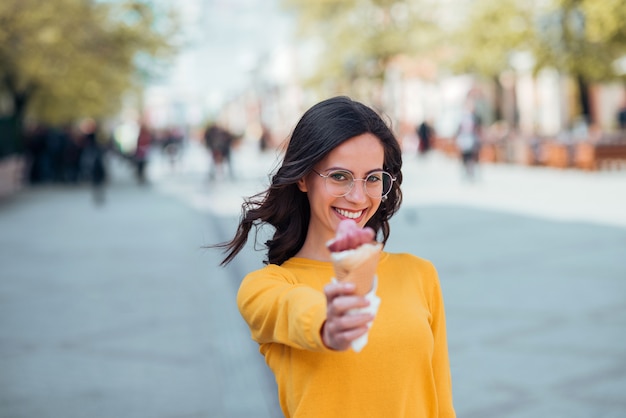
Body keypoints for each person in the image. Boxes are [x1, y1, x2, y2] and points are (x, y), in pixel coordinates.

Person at [214, 96, 455, 417]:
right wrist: (329, 320)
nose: (357, 197)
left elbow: (441, 403)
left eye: (372, 178)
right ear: (302, 177)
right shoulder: (265, 287)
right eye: (339, 176)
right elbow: (293, 309)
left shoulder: (419, 274)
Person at [456, 101, 481, 179]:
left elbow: (477, 129)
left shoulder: (475, 118)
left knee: (471, 157)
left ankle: (470, 171)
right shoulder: (462, 118)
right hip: (465, 140)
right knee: (466, 157)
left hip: (471, 140)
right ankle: (467, 171)